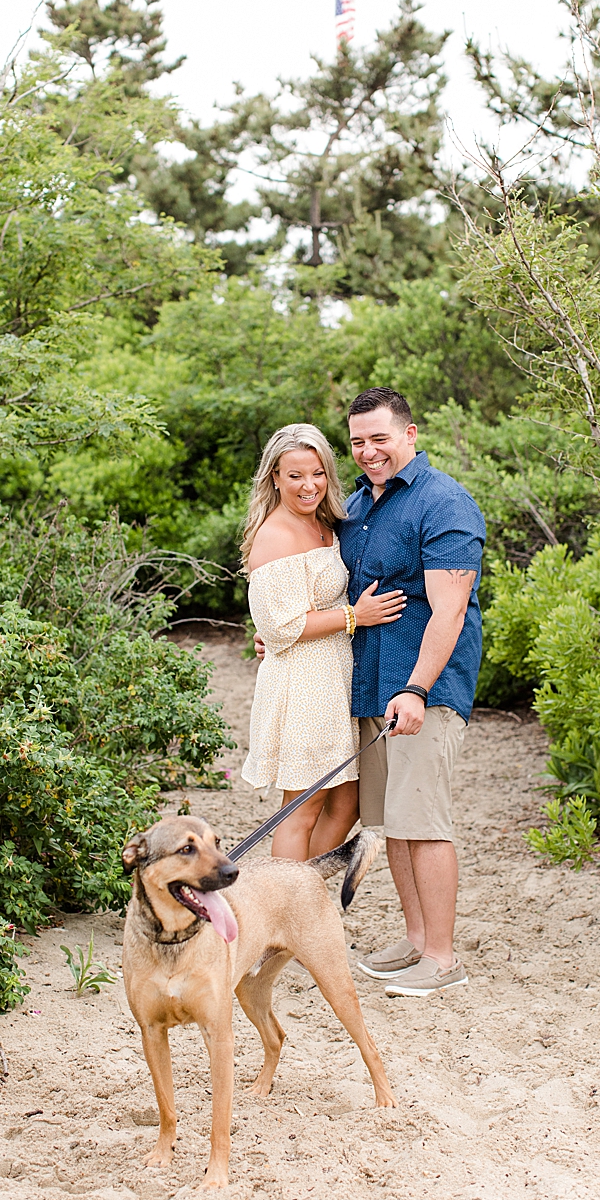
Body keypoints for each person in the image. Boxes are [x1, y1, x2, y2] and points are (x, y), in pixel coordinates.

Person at [338, 387, 486, 999]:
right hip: (370, 686)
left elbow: (449, 612)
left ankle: (444, 958)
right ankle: (416, 938)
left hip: (423, 692)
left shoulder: (443, 501)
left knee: (424, 823)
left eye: (380, 438)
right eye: (357, 442)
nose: (369, 452)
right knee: (391, 823)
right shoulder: (356, 506)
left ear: (410, 434)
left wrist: (418, 689)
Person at [240, 423, 407, 861]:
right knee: (302, 807)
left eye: (316, 473)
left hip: (333, 681)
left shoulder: (326, 523)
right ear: (274, 477)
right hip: (303, 688)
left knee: (346, 802)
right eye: (294, 475)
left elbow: (287, 613)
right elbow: (279, 627)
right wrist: (356, 615)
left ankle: (303, 891)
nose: (308, 485)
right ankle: (282, 910)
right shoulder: (275, 534)